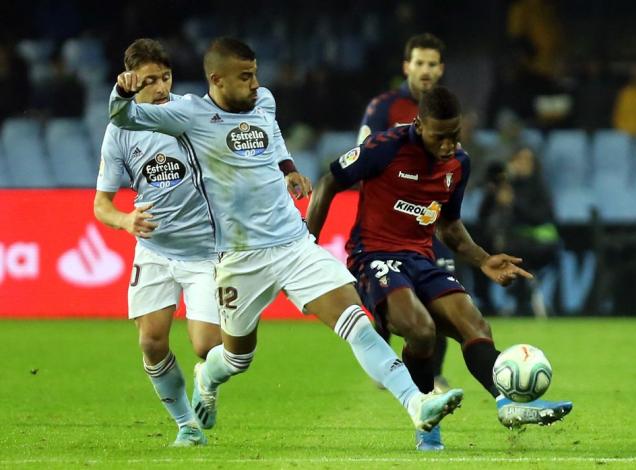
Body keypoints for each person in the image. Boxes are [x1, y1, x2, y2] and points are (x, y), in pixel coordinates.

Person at [108, 37, 464, 444]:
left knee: (356, 323)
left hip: (293, 243)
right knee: (236, 358)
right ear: (217, 80)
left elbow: (272, 135)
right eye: (245, 77)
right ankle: (207, 377)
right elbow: (122, 118)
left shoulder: (264, 101)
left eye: (256, 73)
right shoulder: (186, 115)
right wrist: (122, 91)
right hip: (240, 258)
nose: (256, 83)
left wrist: (289, 168)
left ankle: (416, 404)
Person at [307, 86, 573, 451]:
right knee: (421, 330)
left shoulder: (458, 164)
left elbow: (448, 225)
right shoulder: (386, 147)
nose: (449, 144)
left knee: (474, 323)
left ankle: (508, 403)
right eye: (440, 136)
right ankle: (426, 422)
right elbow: (328, 182)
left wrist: (482, 259)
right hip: (374, 256)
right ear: (419, 124)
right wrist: (308, 244)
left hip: (421, 258)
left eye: (454, 135)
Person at [94, 38, 221, 447]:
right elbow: (102, 205)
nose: (161, 87)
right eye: (149, 81)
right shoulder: (120, 132)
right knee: (151, 342)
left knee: (207, 346)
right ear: (131, 81)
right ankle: (187, 426)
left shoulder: (189, 113)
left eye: (165, 77)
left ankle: (208, 386)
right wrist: (126, 219)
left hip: (204, 251)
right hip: (155, 249)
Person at [357, 32, 453, 395]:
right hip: (387, 223)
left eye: (432, 64)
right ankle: (388, 366)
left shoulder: (445, 109)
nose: (425, 70)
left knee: (442, 294)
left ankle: (436, 373)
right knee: (387, 300)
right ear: (406, 66)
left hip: (429, 221)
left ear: (440, 69)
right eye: (419, 63)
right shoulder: (382, 108)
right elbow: (363, 158)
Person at [478, 147, 560, 316]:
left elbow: (542, 217)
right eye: (519, 160)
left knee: (516, 251)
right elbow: (482, 215)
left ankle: (519, 295)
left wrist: (514, 202)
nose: (522, 165)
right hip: (504, 244)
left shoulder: (539, 187)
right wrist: (494, 193)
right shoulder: (503, 186)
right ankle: (489, 303)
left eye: (527, 160)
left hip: (536, 246)